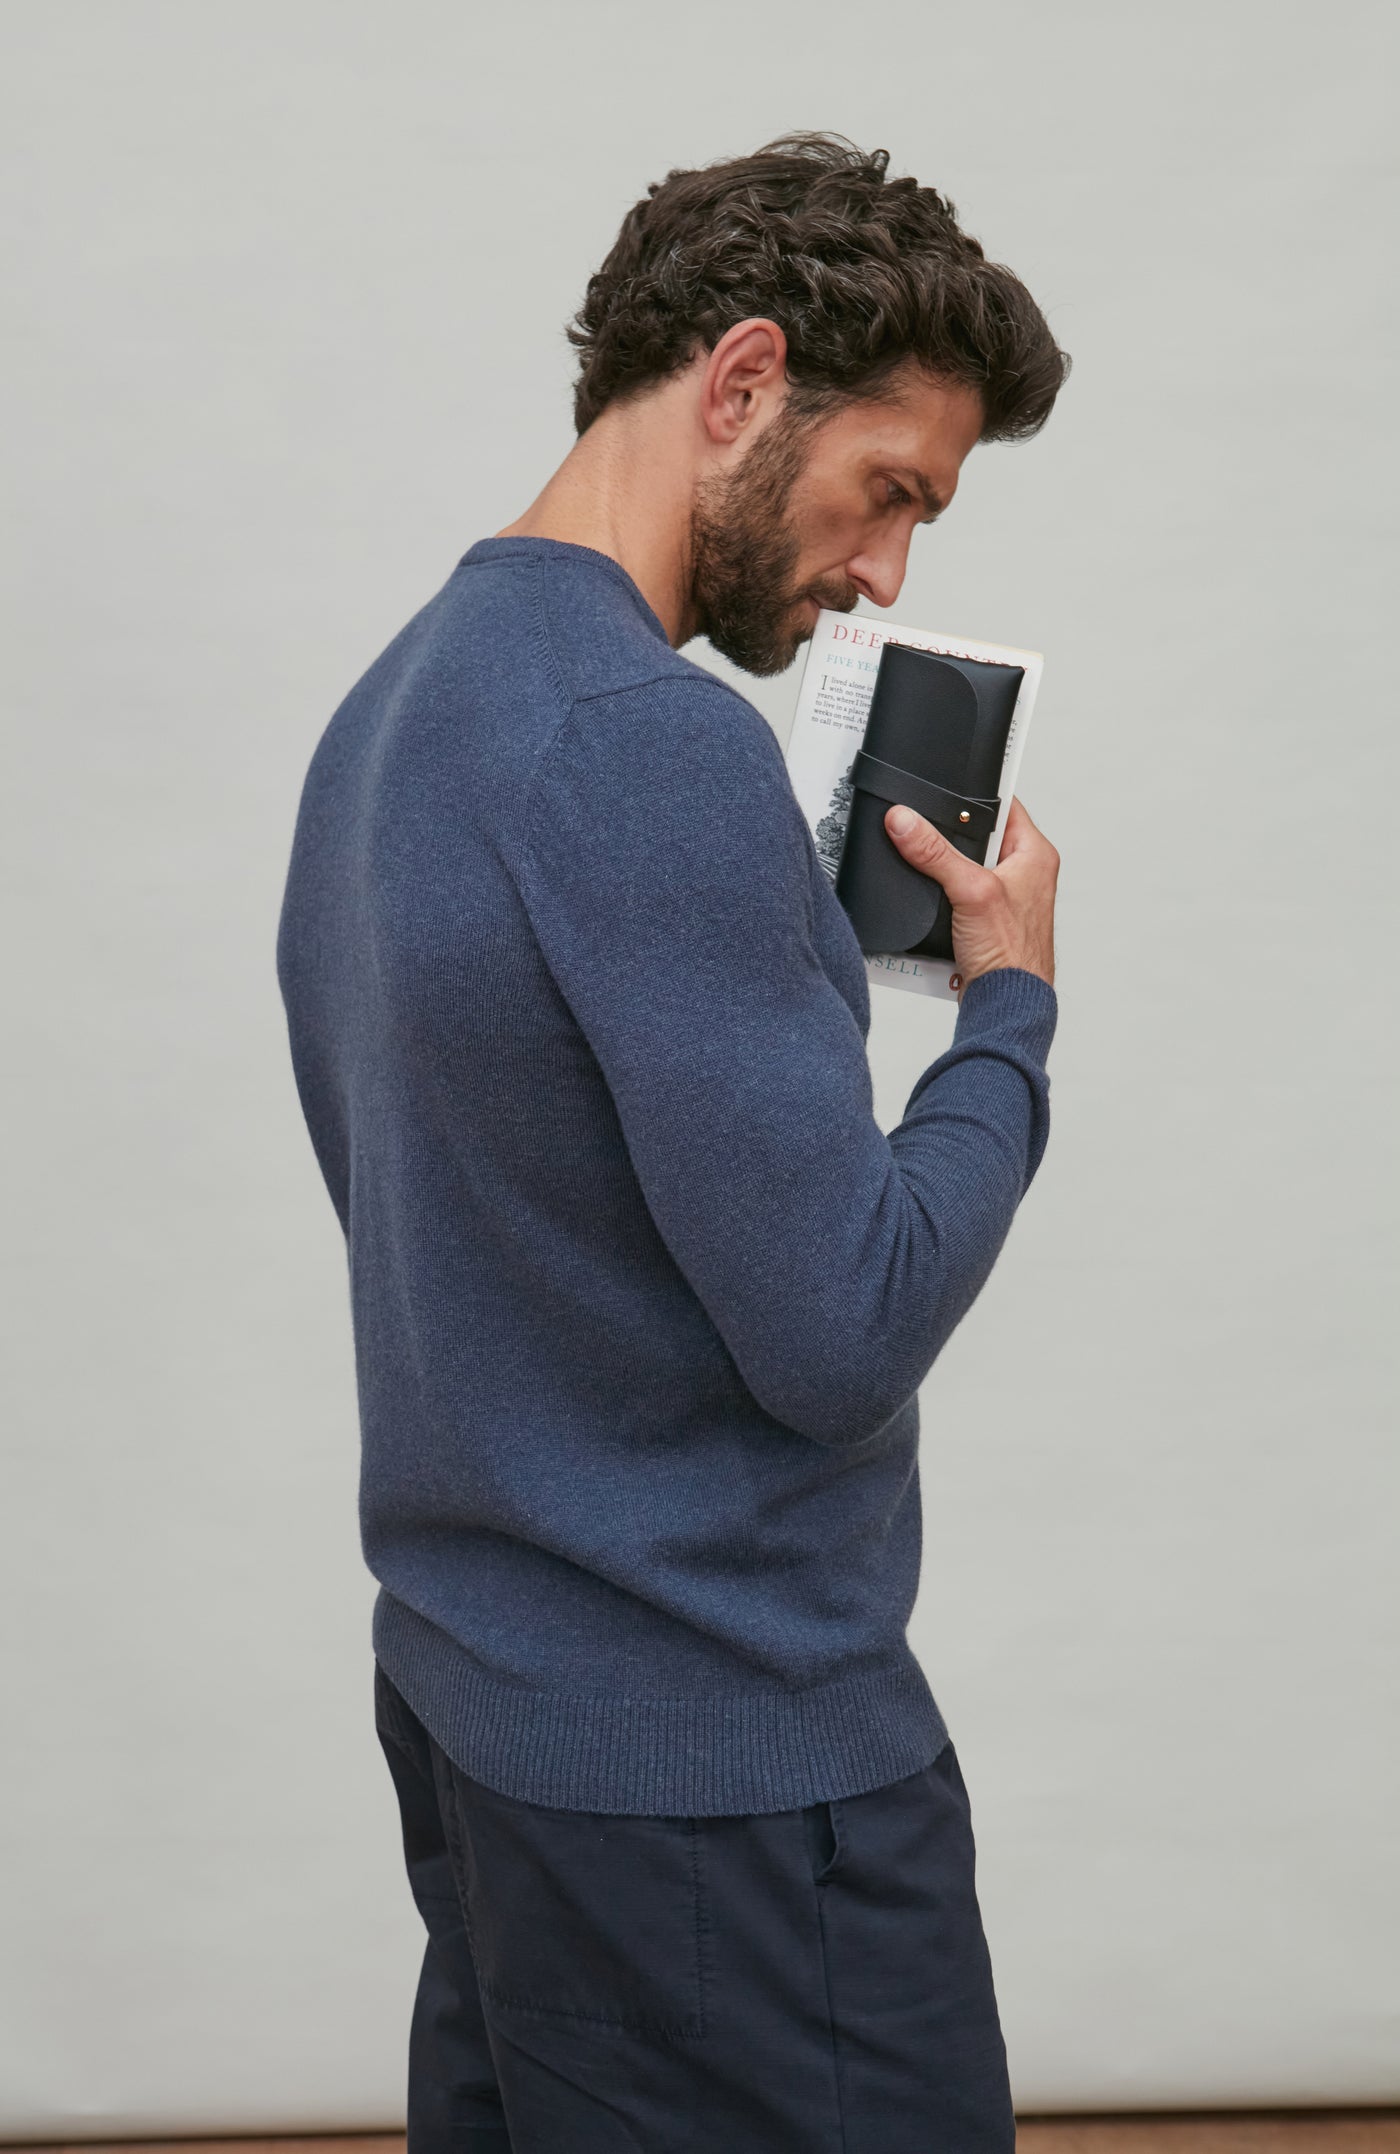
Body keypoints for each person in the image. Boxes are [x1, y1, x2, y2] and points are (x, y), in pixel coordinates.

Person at [276, 130, 1069, 2153]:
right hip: (720, 1775)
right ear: (738, 381)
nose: (888, 572)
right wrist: (1007, 1009)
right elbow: (837, 1323)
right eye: (887, 489)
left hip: (491, 1726)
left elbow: (444, 1211)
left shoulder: (393, 713)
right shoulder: (647, 746)